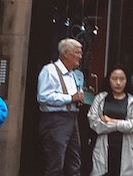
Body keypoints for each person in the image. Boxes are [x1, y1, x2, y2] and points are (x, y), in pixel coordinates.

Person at [36, 39, 87, 176]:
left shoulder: (74, 75)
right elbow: (43, 97)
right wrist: (70, 98)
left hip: (72, 118)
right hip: (55, 119)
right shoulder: (50, 71)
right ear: (66, 53)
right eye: (77, 53)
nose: (80, 57)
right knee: (56, 163)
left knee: (74, 162)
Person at [89, 68, 133, 176]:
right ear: (109, 80)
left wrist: (111, 121)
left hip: (125, 149)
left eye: (122, 79)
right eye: (114, 78)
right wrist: (121, 124)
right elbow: (94, 122)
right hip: (103, 147)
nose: (118, 82)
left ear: (127, 81)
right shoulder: (100, 98)